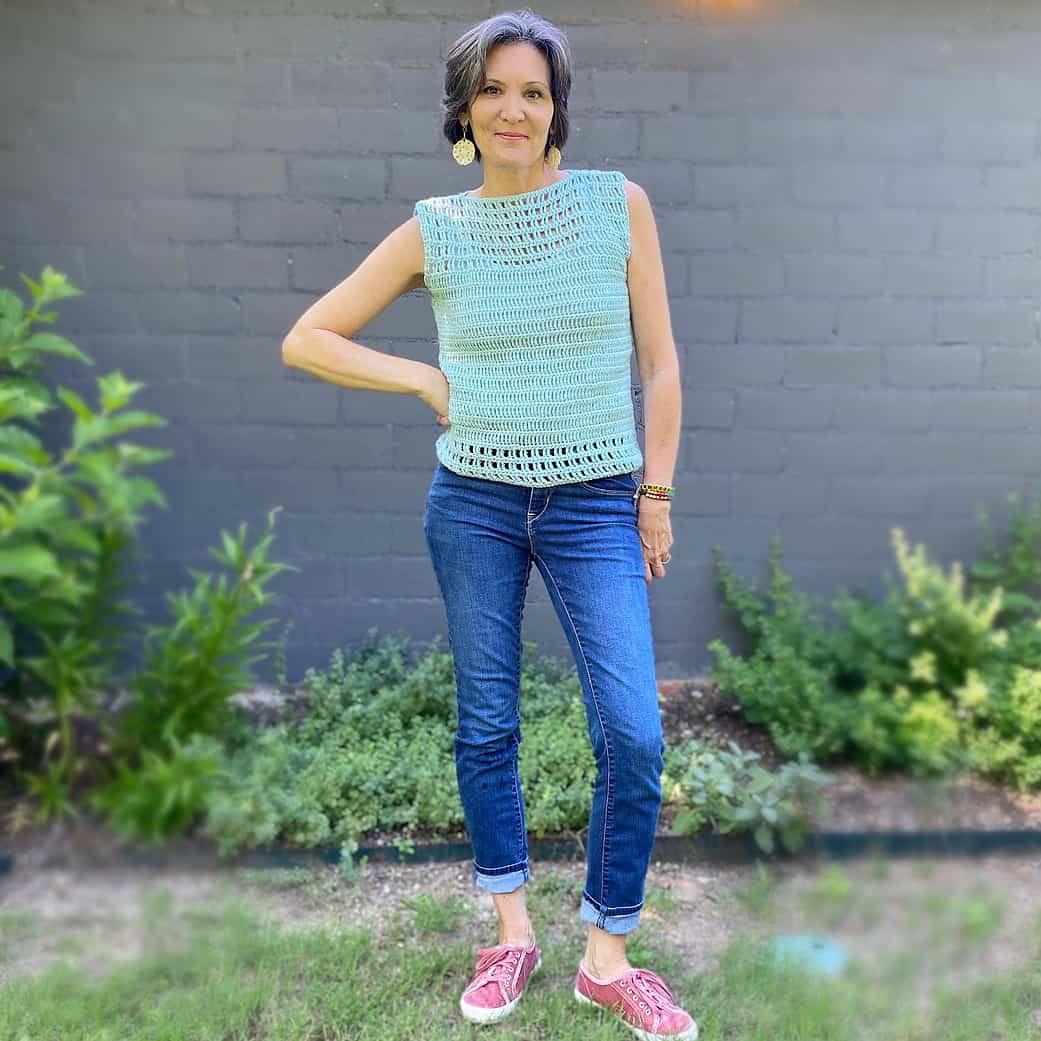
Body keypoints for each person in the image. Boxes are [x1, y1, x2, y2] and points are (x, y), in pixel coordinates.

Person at [281, 9, 695, 1039]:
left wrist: (656, 490)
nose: (515, 109)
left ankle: (607, 954)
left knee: (634, 734)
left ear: (558, 110)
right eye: (495, 90)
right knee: (487, 723)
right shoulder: (436, 228)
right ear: (464, 107)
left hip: (598, 500)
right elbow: (309, 338)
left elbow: (663, 364)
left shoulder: (616, 205)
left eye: (535, 92)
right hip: (473, 504)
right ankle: (512, 931)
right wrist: (419, 373)